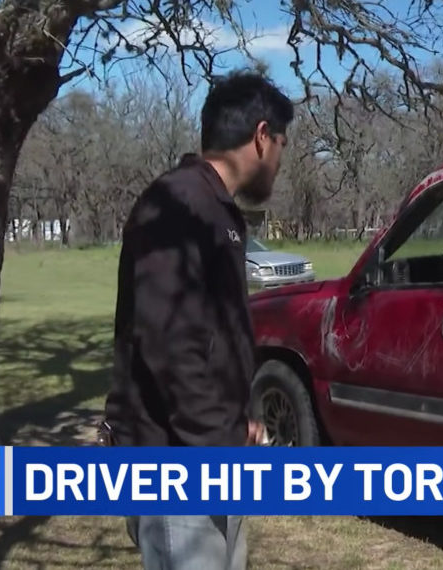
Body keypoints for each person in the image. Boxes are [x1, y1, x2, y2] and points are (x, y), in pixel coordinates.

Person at [100, 69, 294, 569]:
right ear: (260, 136)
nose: (279, 161)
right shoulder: (178, 204)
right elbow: (169, 344)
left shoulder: (216, 210)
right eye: (281, 145)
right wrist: (220, 440)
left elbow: (210, 338)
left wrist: (239, 421)